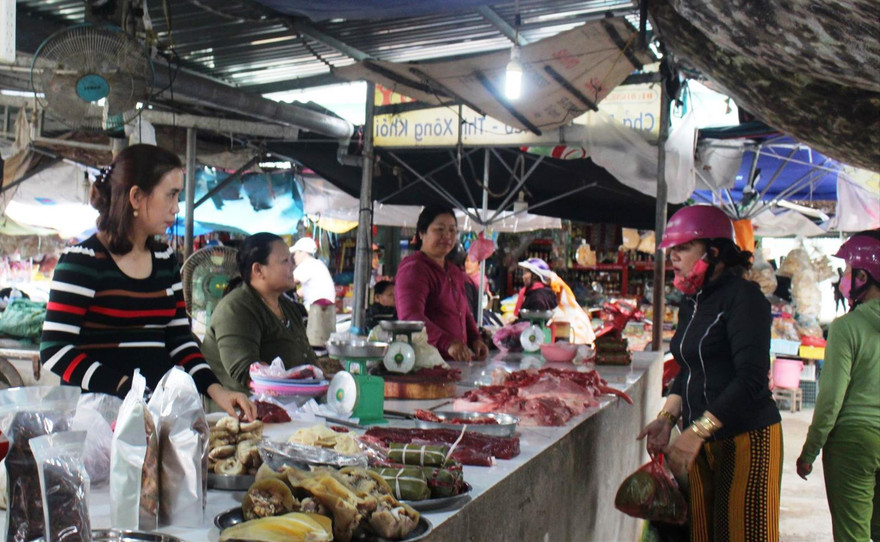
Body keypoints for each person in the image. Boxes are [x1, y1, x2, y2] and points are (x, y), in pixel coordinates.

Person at [39, 144, 255, 420]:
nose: (176, 207)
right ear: (137, 197)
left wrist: (217, 391)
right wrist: (122, 388)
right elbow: (54, 350)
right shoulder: (82, 262)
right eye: (171, 195)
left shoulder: (165, 260)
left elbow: (180, 341)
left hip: (158, 414)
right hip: (99, 419)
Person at [637, 205, 782, 542]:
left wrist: (696, 431)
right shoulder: (693, 301)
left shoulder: (744, 298)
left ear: (714, 251)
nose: (674, 257)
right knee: (703, 534)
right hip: (699, 441)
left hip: (747, 439)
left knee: (743, 535)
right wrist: (667, 419)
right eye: (672, 250)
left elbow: (751, 379)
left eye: (683, 248)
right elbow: (690, 368)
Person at [797, 230, 880, 542]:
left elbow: (831, 399)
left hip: (853, 443)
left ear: (863, 275)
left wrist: (810, 450)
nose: (843, 278)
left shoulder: (847, 327)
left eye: (847, 271)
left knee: (853, 535)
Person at [201, 232, 317, 395]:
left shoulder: (288, 307)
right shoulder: (236, 309)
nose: (293, 265)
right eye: (285, 261)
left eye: (291, 260)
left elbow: (308, 358)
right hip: (244, 412)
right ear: (258, 270)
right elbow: (248, 371)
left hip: (293, 406)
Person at [396, 205, 488, 362]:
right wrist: (448, 343)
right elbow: (410, 317)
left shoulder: (454, 271)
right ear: (422, 233)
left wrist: (475, 339)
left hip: (454, 364)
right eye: (439, 230)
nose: (447, 236)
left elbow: (464, 311)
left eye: (452, 230)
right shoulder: (414, 269)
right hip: (426, 365)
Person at [290, 236, 336, 346]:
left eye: (295, 253)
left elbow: (287, 282)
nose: (294, 257)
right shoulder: (318, 264)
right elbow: (306, 289)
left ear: (302, 252)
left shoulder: (307, 264)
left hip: (315, 311)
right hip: (325, 311)